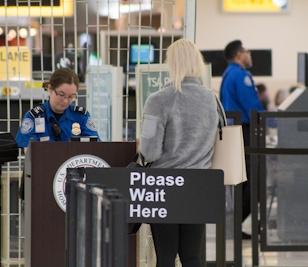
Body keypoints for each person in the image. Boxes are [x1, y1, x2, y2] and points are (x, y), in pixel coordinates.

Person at [140, 39, 218, 267]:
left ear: (171, 63)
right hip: (199, 185)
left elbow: (150, 151)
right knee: (193, 256)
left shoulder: (158, 100)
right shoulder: (211, 99)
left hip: (166, 186)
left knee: (165, 256)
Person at [219, 40, 264, 238]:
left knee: (243, 182)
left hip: (234, 132)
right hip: (245, 132)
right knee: (255, 182)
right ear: (239, 54)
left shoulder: (228, 74)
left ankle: (233, 224)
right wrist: (269, 124)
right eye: (246, 50)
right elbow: (253, 107)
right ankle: (234, 224)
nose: (249, 53)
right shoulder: (240, 76)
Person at [16, 68, 98, 149]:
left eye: (71, 96)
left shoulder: (81, 117)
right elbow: (28, 151)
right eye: (61, 94)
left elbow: (96, 146)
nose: (66, 101)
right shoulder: (34, 117)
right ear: (50, 89)